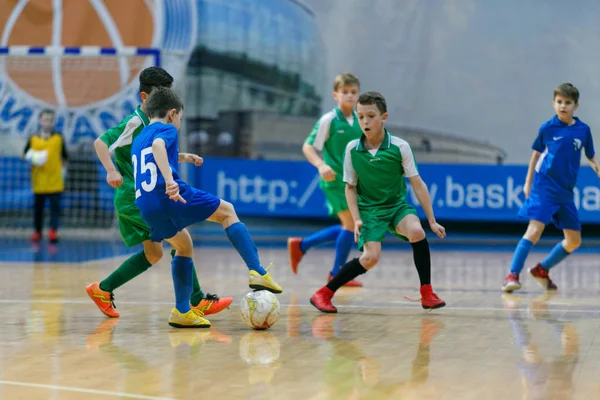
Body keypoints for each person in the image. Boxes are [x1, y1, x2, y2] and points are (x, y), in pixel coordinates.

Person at [86, 67, 232, 319]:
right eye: (161, 93)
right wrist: (111, 171)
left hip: (144, 194)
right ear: (145, 97)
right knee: (180, 238)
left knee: (153, 254)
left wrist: (183, 157)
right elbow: (100, 142)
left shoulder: (156, 123)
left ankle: (102, 289)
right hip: (133, 196)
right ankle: (196, 301)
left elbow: (153, 153)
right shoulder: (135, 122)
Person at [131, 87, 282, 327]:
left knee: (183, 245)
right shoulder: (167, 129)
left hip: (146, 206)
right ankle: (258, 272)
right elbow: (159, 147)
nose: (178, 121)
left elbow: (152, 152)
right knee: (228, 212)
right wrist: (170, 180)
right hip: (170, 196)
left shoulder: (140, 138)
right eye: (180, 117)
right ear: (172, 114)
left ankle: (182, 311)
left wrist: (183, 157)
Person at [309, 91, 446, 313]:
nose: (365, 121)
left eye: (371, 116)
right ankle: (323, 293)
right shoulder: (352, 149)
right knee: (371, 258)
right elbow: (350, 188)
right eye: (360, 116)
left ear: (384, 117)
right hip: (369, 210)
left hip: (396, 206)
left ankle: (427, 293)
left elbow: (418, 184)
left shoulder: (400, 147)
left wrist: (431, 220)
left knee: (417, 231)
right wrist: (356, 220)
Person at [502, 83, 600, 293]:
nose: (563, 106)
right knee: (535, 230)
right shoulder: (547, 128)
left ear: (576, 105)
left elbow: (590, 155)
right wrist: (528, 183)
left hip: (565, 192)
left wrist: (596, 166)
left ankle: (541, 270)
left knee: (573, 241)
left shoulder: (583, 130)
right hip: (544, 187)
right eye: (559, 102)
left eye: (567, 103)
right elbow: (536, 155)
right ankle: (512, 275)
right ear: (554, 103)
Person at [288, 73, 364, 286]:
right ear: (335, 95)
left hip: (354, 183)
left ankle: (302, 246)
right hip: (335, 181)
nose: (350, 96)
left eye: (354, 92)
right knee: (350, 225)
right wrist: (321, 165)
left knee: (350, 227)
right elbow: (308, 146)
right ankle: (336, 274)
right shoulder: (329, 120)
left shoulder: (361, 119)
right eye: (345, 92)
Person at [23, 109, 68, 244]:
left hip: (55, 180)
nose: (48, 122)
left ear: (53, 122)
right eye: (45, 119)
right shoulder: (33, 138)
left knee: (55, 208)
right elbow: (25, 154)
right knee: (38, 209)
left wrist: (64, 172)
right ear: (40, 121)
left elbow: (65, 157)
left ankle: (53, 231)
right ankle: (37, 231)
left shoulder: (58, 138)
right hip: (39, 180)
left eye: (50, 119)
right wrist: (33, 158)